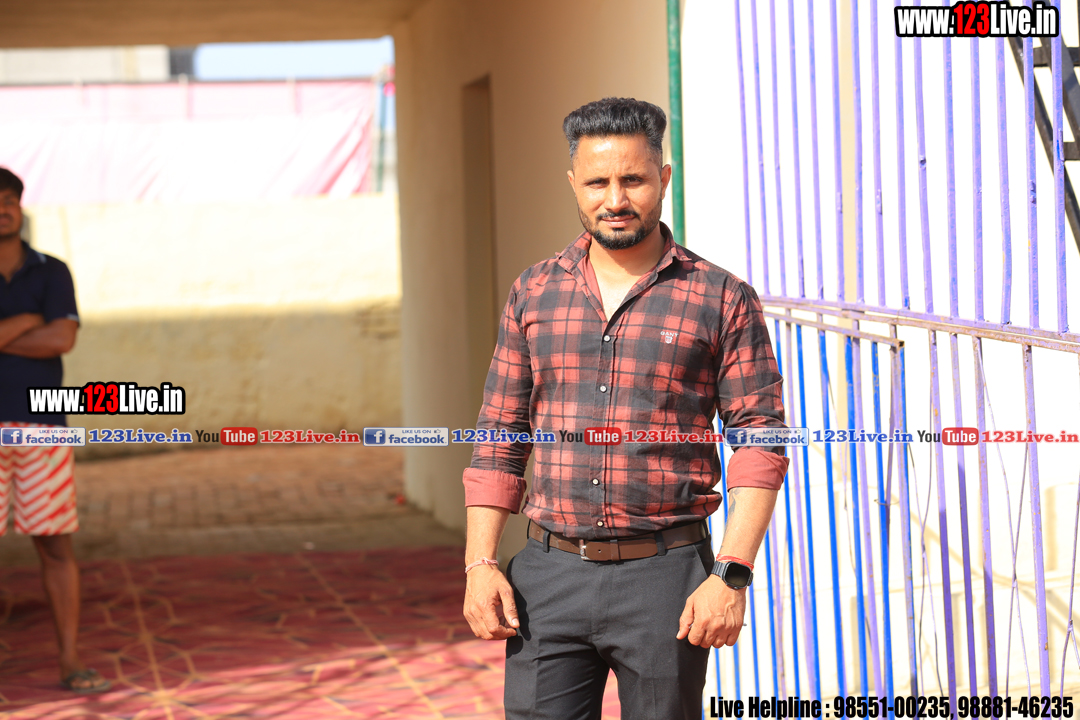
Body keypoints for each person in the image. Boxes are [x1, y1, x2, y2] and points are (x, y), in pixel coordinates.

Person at [460, 98, 789, 719]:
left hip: (666, 580)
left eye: (633, 179)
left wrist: (732, 574)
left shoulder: (721, 298)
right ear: (573, 185)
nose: (615, 199)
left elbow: (760, 443)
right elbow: (500, 434)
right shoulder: (534, 291)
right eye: (597, 183)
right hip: (548, 578)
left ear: (663, 178)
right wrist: (480, 562)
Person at [0, 167, 109, 693]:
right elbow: (46, 331)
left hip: (42, 427)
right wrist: (27, 321)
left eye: (9, 200)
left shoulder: (52, 271)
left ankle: (70, 660)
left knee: (55, 547)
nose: (2, 209)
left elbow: (62, 339)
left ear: (20, 208)